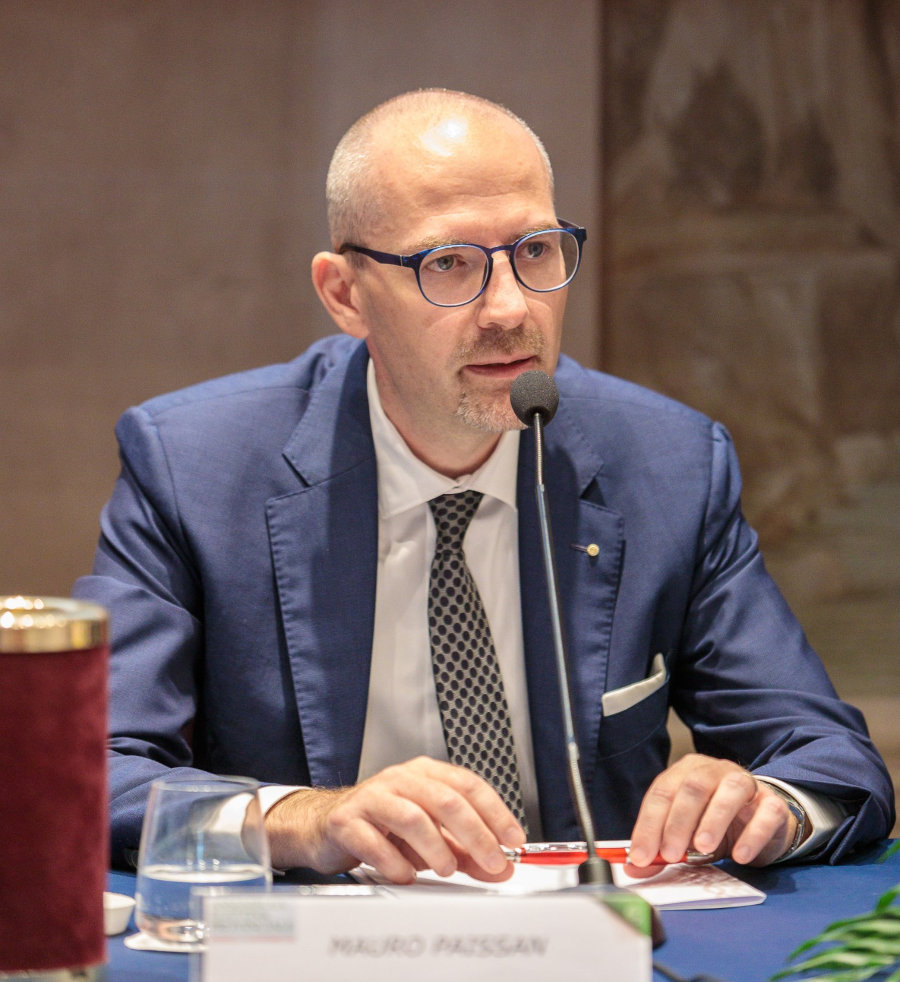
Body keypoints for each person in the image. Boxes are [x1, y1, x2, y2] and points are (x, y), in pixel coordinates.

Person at [74, 89, 894, 886]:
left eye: (535, 252)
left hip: (593, 939)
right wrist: (304, 821)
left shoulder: (668, 465)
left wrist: (765, 804)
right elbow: (91, 770)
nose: (509, 309)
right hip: (315, 937)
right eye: (449, 264)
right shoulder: (194, 468)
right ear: (345, 295)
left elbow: (831, 762)